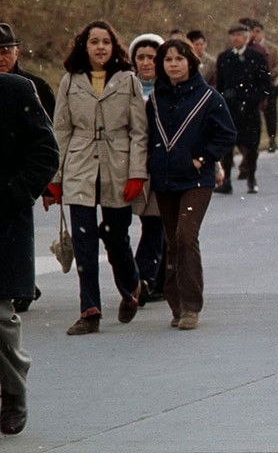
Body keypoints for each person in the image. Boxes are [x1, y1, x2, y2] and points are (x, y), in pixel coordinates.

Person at [48, 21, 148, 335]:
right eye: (94, 42)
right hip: (80, 166)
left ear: (113, 46)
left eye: (106, 42)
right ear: (85, 46)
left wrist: (137, 173)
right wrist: (56, 177)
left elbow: (139, 132)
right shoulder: (70, 81)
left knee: (116, 238)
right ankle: (89, 310)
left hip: (118, 166)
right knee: (84, 242)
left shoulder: (128, 80)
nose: (100, 47)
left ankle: (131, 287)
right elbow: (61, 130)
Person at [146, 39, 237, 330]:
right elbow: (147, 136)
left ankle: (191, 306)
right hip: (164, 179)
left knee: (186, 235)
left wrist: (202, 159)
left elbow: (227, 134)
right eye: (168, 59)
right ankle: (176, 304)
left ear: (190, 62)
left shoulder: (208, 97)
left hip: (197, 179)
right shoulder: (155, 100)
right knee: (172, 241)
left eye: (179, 59)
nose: (173, 64)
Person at [0, 73, 59, 435]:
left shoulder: (15, 91)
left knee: (0, 320)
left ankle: (13, 389)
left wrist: (13, 194)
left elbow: (46, 154)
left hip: (3, 220)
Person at [0, 23, 55, 315]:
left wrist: (39, 187)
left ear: (17, 51)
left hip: (18, 182)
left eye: (6, 50)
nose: (1, 57)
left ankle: (22, 284)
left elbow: (48, 142)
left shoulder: (30, 86)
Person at [128, 33, 167, 304]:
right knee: (148, 222)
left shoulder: (171, 89)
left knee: (156, 221)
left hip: (163, 164)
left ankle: (144, 278)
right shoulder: (126, 89)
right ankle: (154, 279)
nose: (146, 63)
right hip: (133, 164)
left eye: (151, 57)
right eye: (140, 57)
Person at [214, 22, 271, 194]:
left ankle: (251, 178)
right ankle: (227, 181)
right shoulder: (224, 58)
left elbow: (265, 84)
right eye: (233, 35)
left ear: (246, 37)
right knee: (227, 146)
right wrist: (223, 99)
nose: (236, 38)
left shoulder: (256, 57)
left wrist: (253, 99)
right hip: (229, 109)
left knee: (252, 145)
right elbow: (220, 84)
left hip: (250, 110)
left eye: (239, 35)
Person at [244, 19, 278, 153]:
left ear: (262, 33)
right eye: (253, 32)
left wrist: (270, 74)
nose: (255, 34)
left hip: (269, 85)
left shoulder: (272, 49)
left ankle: (272, 138)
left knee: (270, 114)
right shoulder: (247, 48)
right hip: (252, 85)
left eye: (258, 31)